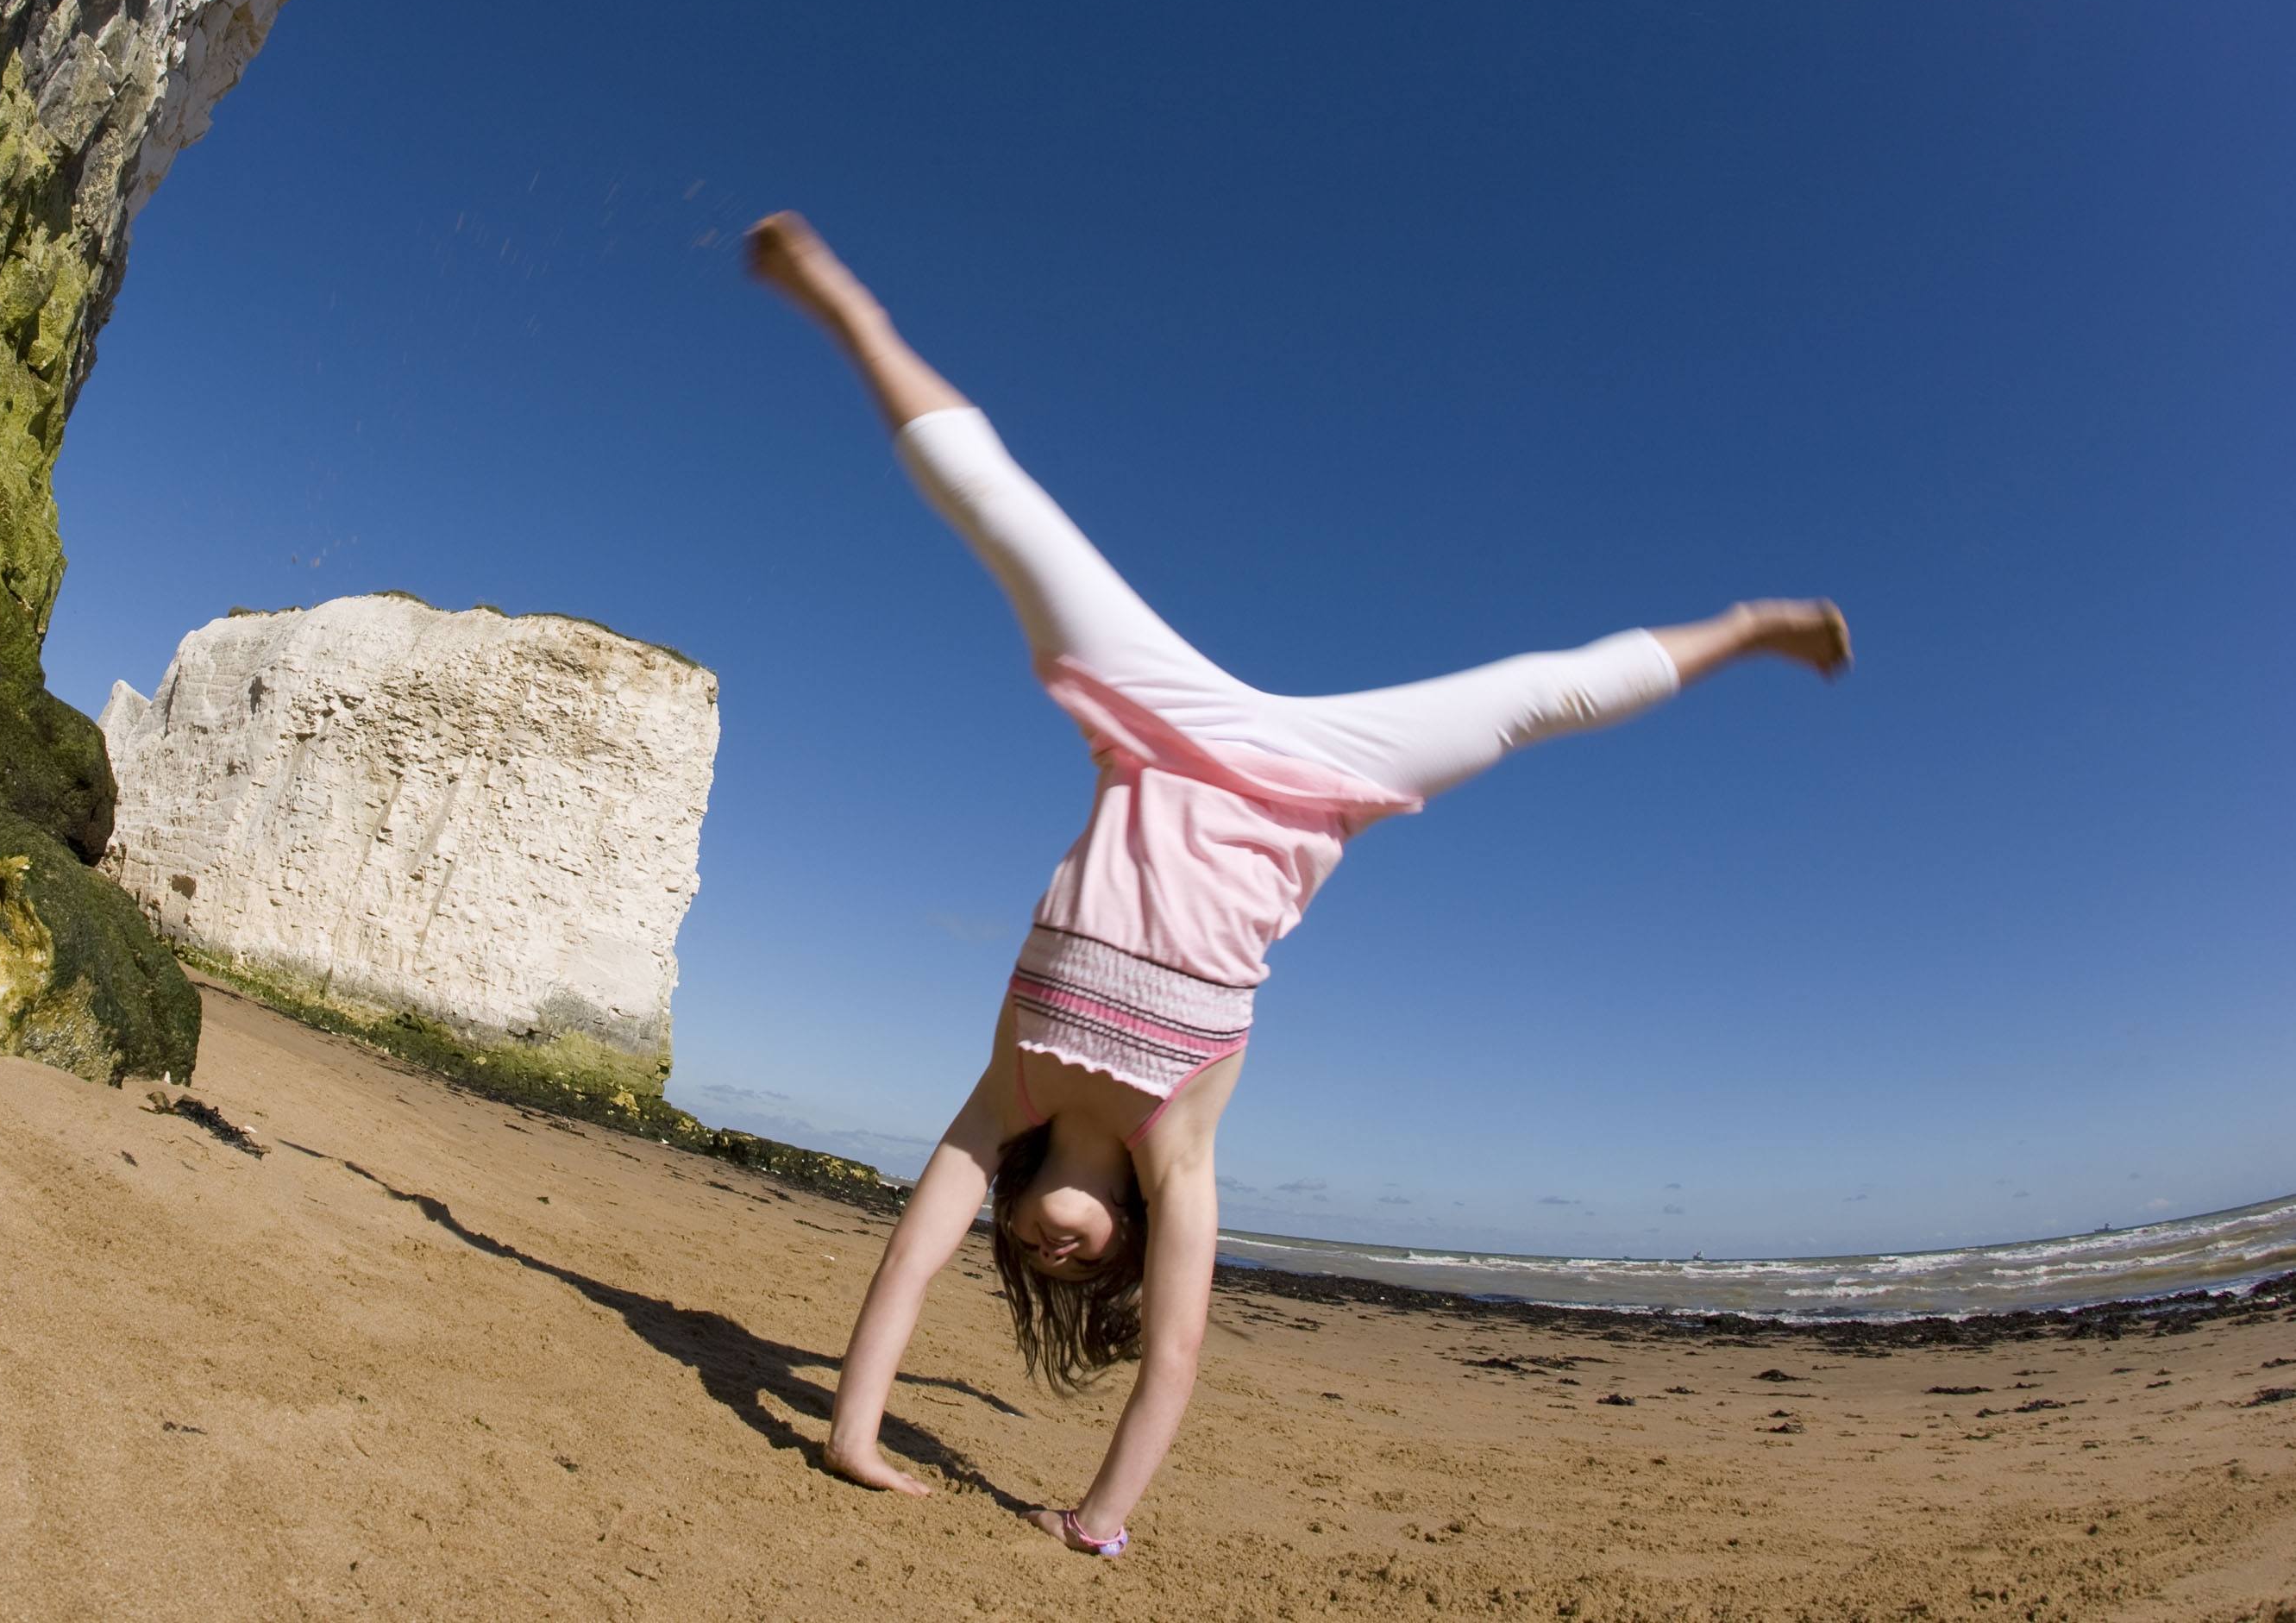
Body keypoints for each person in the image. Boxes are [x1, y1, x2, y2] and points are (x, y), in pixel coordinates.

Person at [743, 210, 1848, 1559]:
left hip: (1156, 732)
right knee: (1529, 702)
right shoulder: (1180, 1152)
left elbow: (910, 1260)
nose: (1050, 1254)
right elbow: (1180, 1357)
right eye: (1074, 1268)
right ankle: (1744, 631)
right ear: (1123, 1250)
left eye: (1028, 1253)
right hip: (1312, 785)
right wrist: (1100, 1519)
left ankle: (849, 310)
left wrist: (851, 1431)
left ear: (1012, 1215)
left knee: (1004, 511)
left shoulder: (1002, 1102)